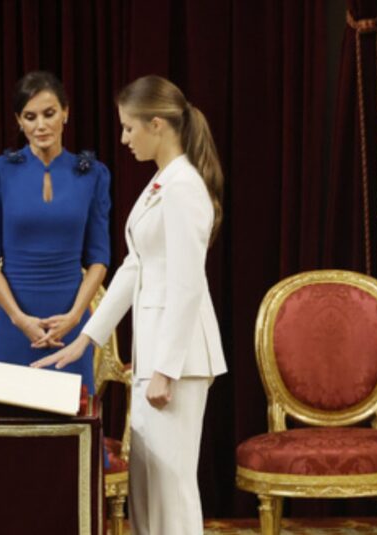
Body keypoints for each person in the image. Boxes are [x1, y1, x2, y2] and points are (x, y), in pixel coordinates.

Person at [32, 75, 228, 534]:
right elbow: (134, 267)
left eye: (128, 128)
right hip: (155, 356)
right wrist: (85, 337)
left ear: (156, 124)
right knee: (148, 488)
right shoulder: (162, 182)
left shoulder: (183, 187)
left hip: (175, 361)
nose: (123, 139)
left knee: (171, 489)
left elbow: (186, 284)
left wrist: (167, 369)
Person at [0, 71, 111, 394]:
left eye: (49, 114)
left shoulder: (93, 175)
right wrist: (20, 319)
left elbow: (99, 258)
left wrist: (75, 316)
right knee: (14, 431)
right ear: (19, 121)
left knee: (73, 425)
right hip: (14, 324)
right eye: (30, 117)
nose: (40, 125)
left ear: (66, 112)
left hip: (71, 323)